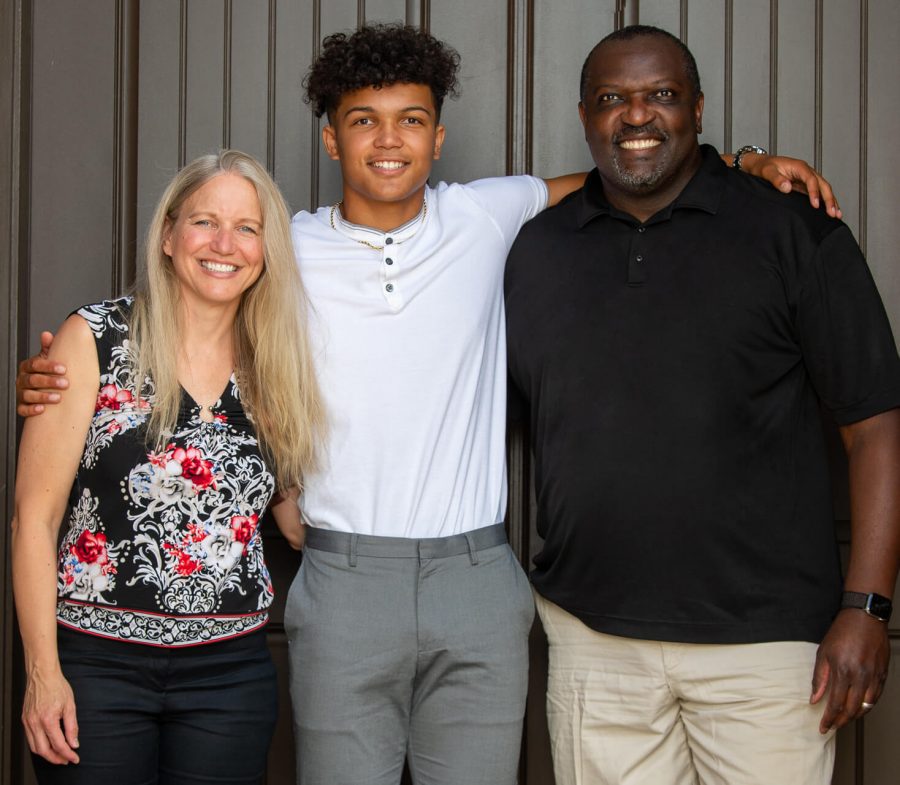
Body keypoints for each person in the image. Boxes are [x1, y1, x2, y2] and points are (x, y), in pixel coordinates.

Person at [16, 23, 839, 785]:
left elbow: (631, 166)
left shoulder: (486, 213)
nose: (387, 139)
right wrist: (68, 368)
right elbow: (189, 318)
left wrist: (746, 160)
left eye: (411, 120)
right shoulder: (285, 248)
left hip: (476, 577)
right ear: (332, 138)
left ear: (437, 138)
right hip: (341, 576)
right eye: (363, 120)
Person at [504, 24, 900, 785]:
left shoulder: (792, 231)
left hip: (767, 651)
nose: (638, 116)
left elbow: (876, 424)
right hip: (594, 641)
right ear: (585, 114)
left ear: (699, 108)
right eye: (614, 99)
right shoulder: (536, 250)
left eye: (662, 95)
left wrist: (868, 606)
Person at [12, 149, 324, 784]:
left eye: (247, 228)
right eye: (205, 221)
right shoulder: (93, 339)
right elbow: (33, 519)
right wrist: (43, 675)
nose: (224, 244)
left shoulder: (275, 366)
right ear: (167, 234)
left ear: (266, 250)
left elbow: (292, 519)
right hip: (97, 668)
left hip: (229, 675)